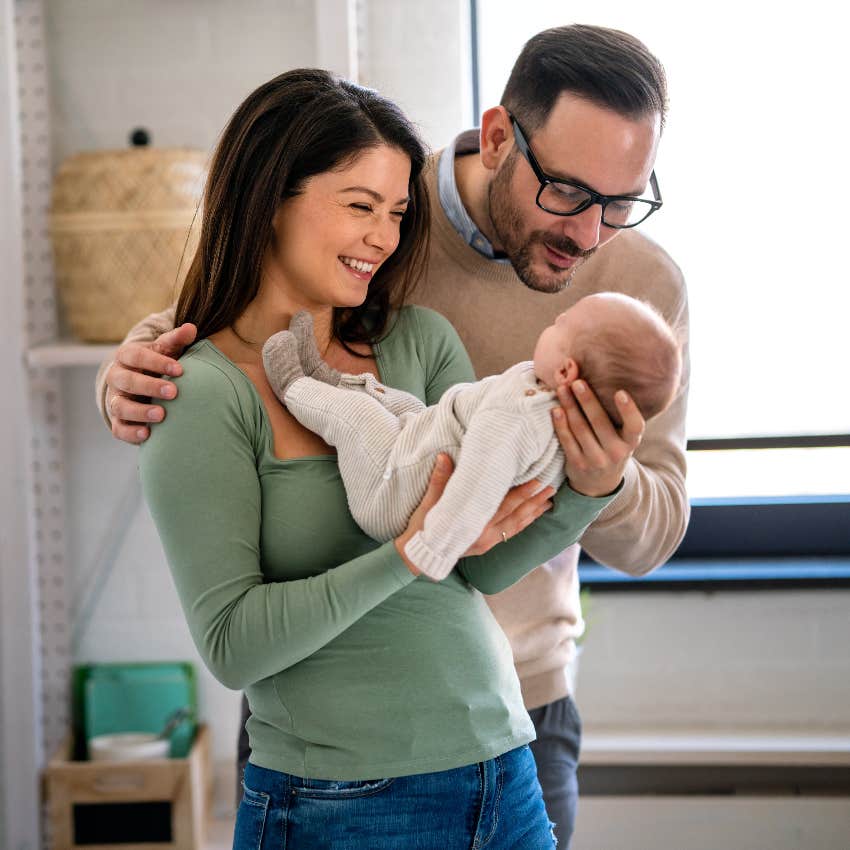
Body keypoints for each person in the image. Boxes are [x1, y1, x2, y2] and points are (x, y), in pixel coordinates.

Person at [96, 25, 689, 848]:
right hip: (337, 767)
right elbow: (234, 319)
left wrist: (596, 481)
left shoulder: (624, 291)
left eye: (622, 203)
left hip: (511, 735)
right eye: (569, 194)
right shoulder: (365, 258)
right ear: (498, 139)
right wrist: (128, 365)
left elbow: (502, 555)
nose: (592, 234)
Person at [262, 294, 682, 580]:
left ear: (568, 371)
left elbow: (477, 486)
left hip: (394, 495)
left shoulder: (520, 418)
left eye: (561, 324)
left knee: (357, 418)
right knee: (402, 403)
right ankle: (325, 377)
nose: (551, 323)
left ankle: (293, 384)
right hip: (418, 448)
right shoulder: (539, 395)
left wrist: (430, 549)